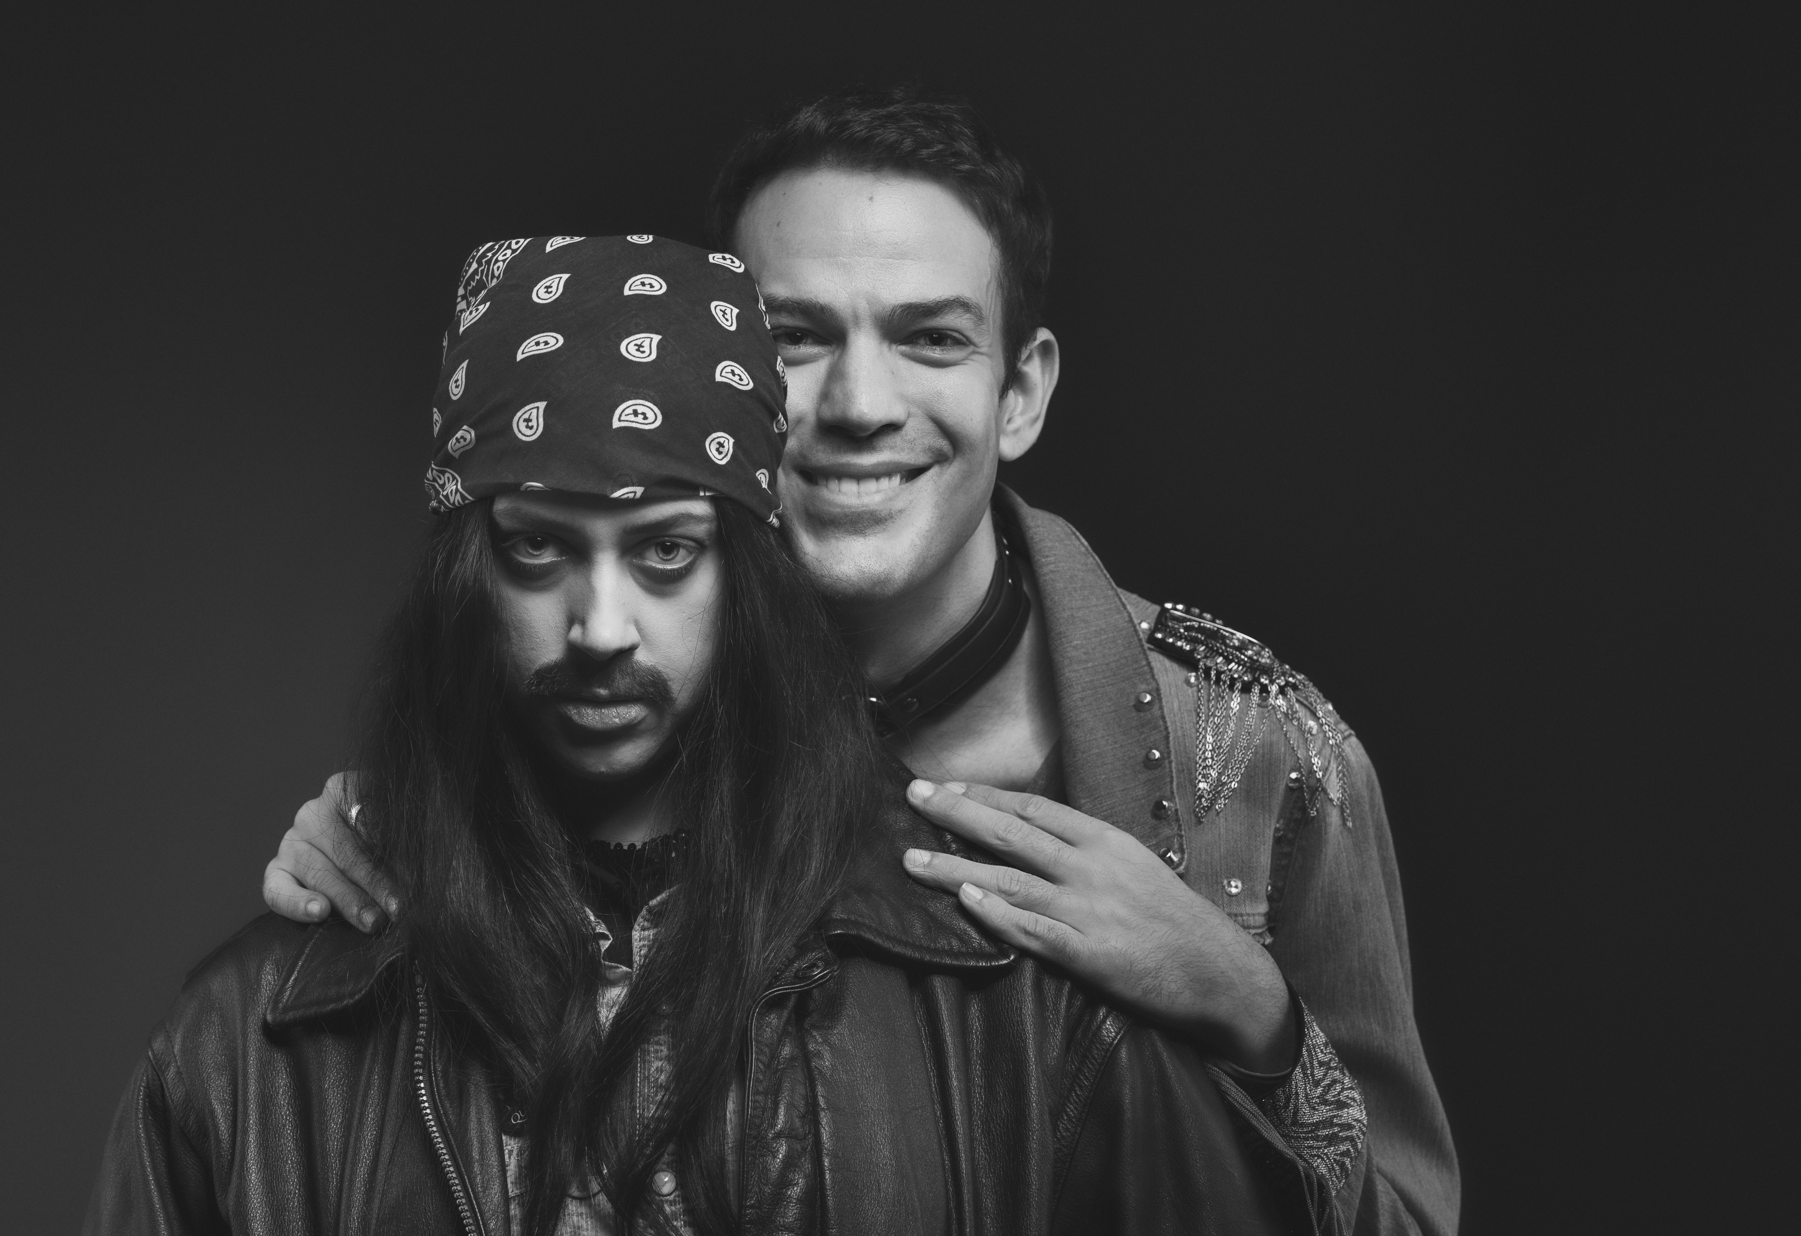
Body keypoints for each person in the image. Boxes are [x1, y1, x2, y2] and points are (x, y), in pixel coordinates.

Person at [262, 91, 1459, 1234]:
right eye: (794, 337)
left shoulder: (1258, 750)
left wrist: (1251, 1012)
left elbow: (1404, 1220)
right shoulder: (604, 688)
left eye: (931, 337)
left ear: (1021, 392)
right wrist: (384, 844)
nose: (858, 403)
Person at [87, 235, 1307, 1236]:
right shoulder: (250, 1040)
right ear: (467, 579)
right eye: (536, 547)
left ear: (749, 581)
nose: (600, 627)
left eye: (667, 550)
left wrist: (1257, 1019)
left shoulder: (1009, 990)